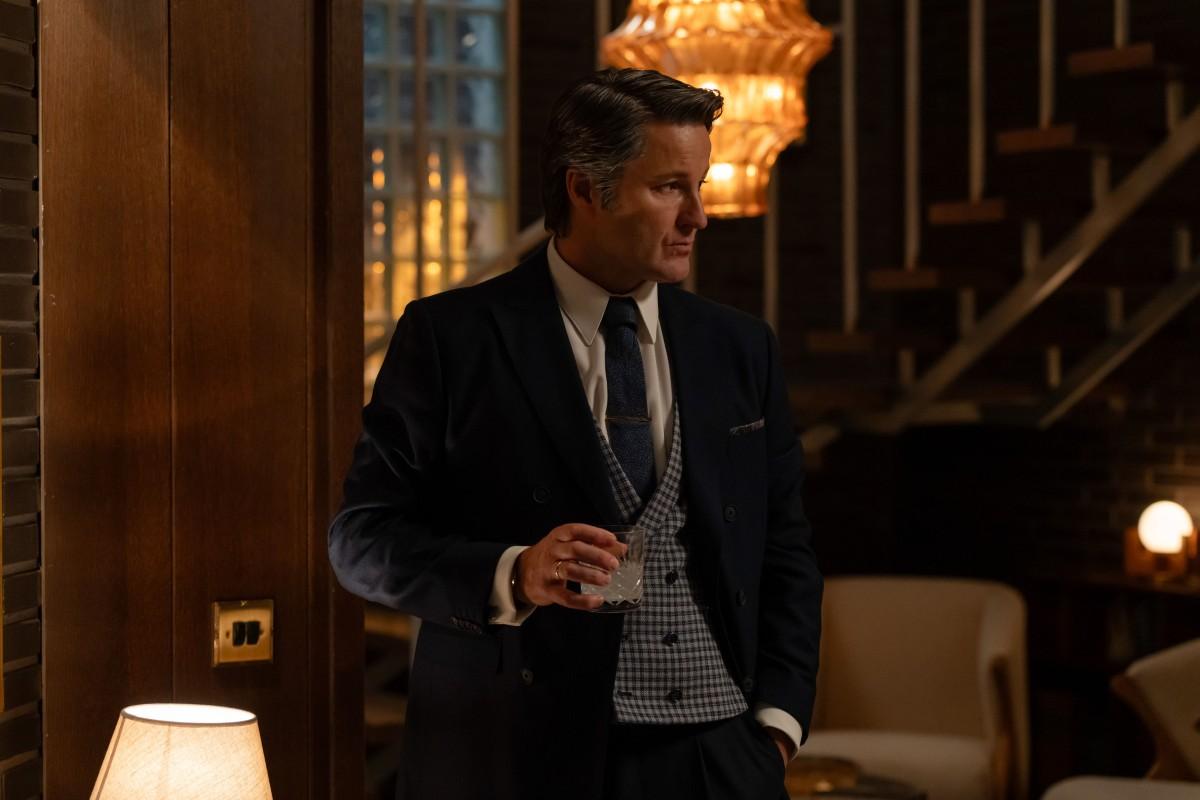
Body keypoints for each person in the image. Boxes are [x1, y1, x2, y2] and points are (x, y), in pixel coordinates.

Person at [329, 67, 822, 800]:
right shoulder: (452, 338)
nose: (698, 216)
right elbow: (360, 541)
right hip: (519, 753)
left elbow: (785, 549)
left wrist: (777, 727)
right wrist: (516, 572)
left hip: (718, 758)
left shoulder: (740, 347)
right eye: (669, 188)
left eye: (700, 186)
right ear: (585, 190)